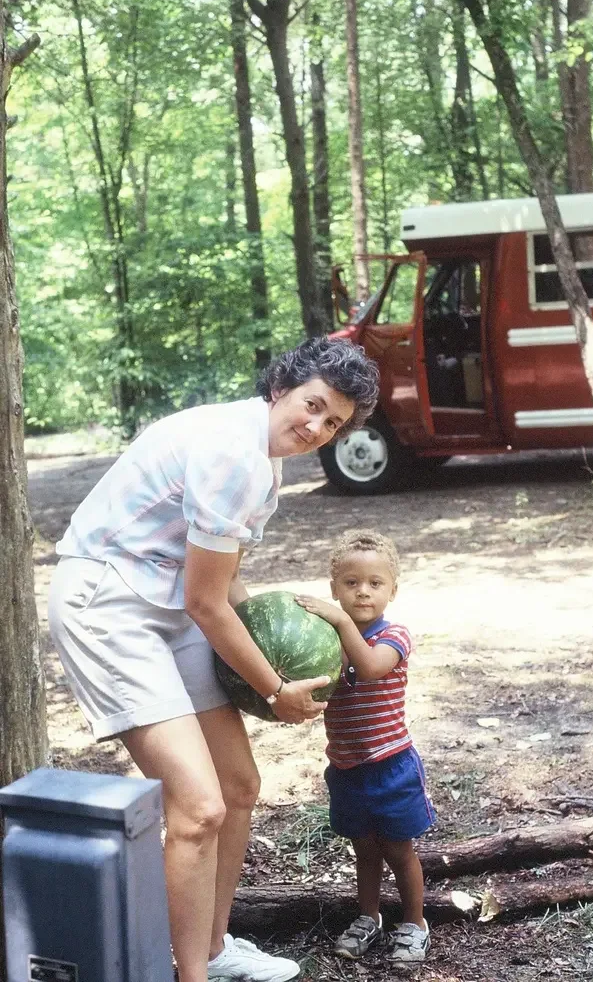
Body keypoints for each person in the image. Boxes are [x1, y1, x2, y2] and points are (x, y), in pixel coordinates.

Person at [48, 338, 379, 982]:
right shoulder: (234, 452)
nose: (315, 427)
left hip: (169, 603)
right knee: (199, 807)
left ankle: (215, 949)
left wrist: (268, 652)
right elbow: (208, 603)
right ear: (281, 387)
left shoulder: (262, 456)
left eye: (333, 422)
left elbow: (225, 585)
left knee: (238, 786)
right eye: (311, 405)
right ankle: (189, 975)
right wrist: (274, 685)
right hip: (108, 606)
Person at [295, 531, 435, 966]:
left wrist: (338, 622)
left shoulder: (394, 635)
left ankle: (415, 923)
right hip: (347, 767)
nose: (363, 591)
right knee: (364, 849)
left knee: (398, 848)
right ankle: (368, 916)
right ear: (333, 587)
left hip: (391, 766)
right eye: (351, 582)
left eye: (375, 583)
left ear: (393, 589)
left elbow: (372, 668)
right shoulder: (323, 642)